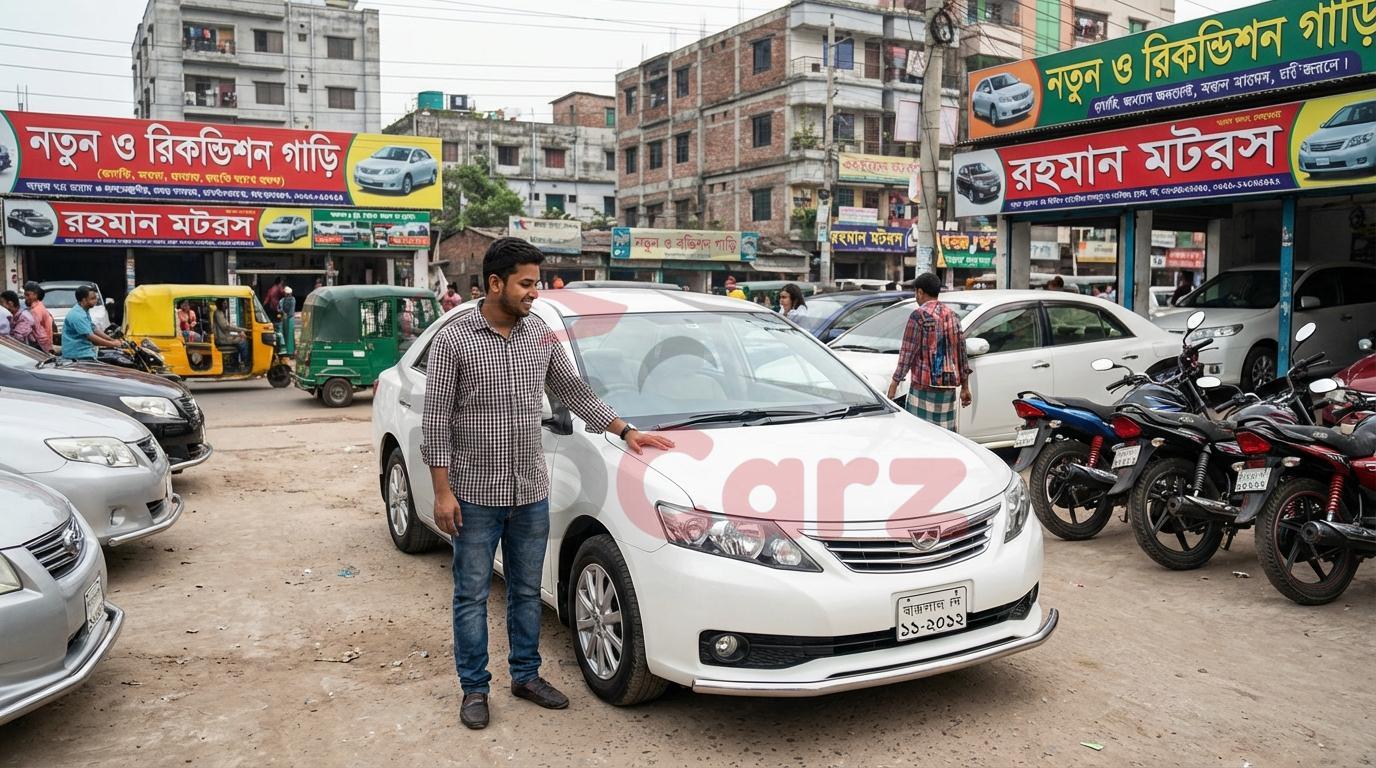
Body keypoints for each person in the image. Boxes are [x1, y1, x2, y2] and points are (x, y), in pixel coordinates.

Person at [422, 237, 674, 730]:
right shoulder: (456, 340)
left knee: (524, 590)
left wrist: (625, 430)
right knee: (471, 595)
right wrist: (442, 490)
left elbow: (573, 390)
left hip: (530, 493)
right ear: (495, 283)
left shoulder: (538, 334)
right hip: (474, 496)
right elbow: (435, 422)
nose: (535, 293)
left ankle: (526, 675)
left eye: (536, 283)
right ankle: (475, 688)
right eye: (526, 283)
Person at [887, 272, 972, 431]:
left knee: (921, 434)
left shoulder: (918, 316)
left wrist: (895, 382)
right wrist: (965, 387)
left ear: (920, 292)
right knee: (945, 436)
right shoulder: (953, 316)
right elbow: (961, 353)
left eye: (916, 293)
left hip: (922, 387)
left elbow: (907, 353)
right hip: (947, 389)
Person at [61, 285, 123, 361]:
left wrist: (110, 339)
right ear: (84, 300)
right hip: (78, 354)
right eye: (92, 298)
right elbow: (90, 336)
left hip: (85, 350)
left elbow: (93, 328)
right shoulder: (78, 315)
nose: (96, 300)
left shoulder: (83, 310)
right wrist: (113, 344)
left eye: (95, 298)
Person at [213, 298, 250, 369]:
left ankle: (235, 363)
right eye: (224, 303)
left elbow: (227, 330)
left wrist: (238, 333)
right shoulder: (218, 313)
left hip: (225, 337)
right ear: (220, 304)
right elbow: (226, 327)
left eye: (226, 303)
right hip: (222, 339)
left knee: (240, 339)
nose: (226, 305)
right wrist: (242, 330)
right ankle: (246, 364)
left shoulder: (221, 313)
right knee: (243, 341)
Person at [22, 283, 54, 354]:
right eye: (25, 295)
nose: (25, 297)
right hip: (45, 345)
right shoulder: (39, 306)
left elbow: (36, 332)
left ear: (35, 295)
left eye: (28, 295)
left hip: (41, 346)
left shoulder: (36, 310)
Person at [278, 287, 297, 356]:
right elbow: (279, 308)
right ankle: (286, 350)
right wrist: (282, 312)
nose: (288, 295)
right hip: (285, 319)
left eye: (289, 294)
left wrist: (285, 314)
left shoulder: (292, 300)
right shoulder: (282, 300)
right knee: (285, 334)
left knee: (290, 335)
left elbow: (291, 310)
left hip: (290, 319)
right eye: (287, 294)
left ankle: (290, 351)